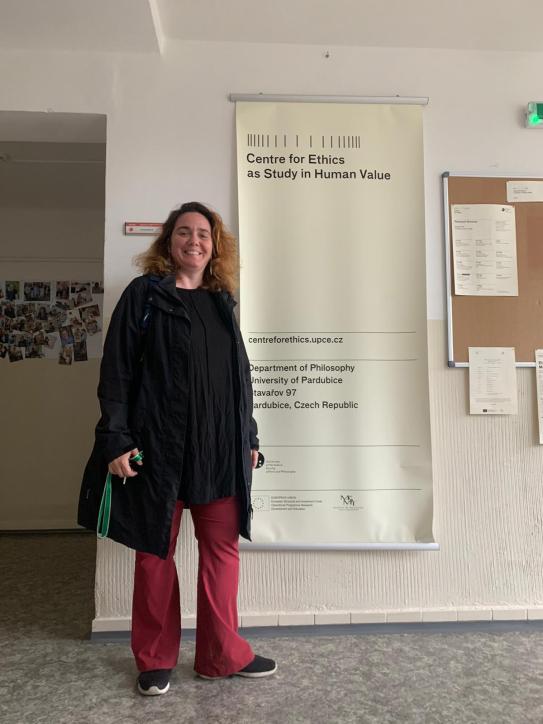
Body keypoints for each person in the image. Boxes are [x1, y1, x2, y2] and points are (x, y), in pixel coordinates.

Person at [78, 201, 276, 696]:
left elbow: (239, 379)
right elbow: (117, 372)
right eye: (184, 232)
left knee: (222, 554)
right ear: (169, 242)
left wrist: (249, 437)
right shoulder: (144, 295)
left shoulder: (222, 301)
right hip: (156, 453)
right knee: (154, 555)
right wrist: (115, 439)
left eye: (204, 234)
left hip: (218, 452)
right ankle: (154, 659)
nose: (195, 241)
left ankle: (221, 655)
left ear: (215, 246)